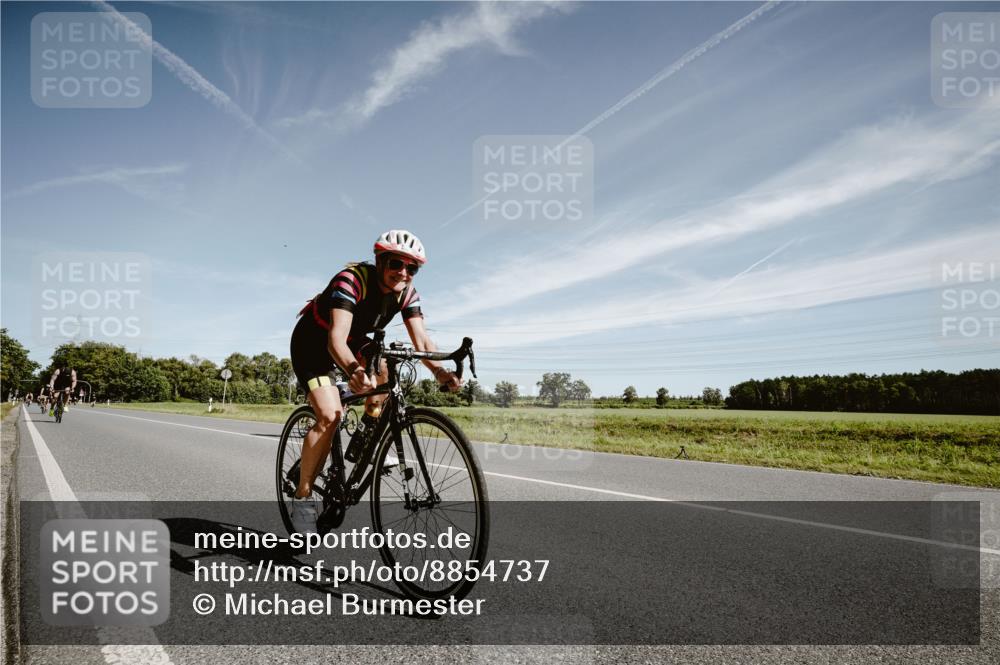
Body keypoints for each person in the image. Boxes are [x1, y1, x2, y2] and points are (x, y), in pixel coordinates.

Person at [288, 230, 461, 533]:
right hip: (314, 341)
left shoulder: (407, 292)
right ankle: (302, 499)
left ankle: (364, 438)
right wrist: (355, 370)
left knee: (382, 367)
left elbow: (422, 341)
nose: (403, 273)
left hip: (352, 339)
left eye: (412, 268)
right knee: (330, 416)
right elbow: (335, 340)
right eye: (396, 263)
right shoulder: (351, 280)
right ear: (380, 261)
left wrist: (440, 373)